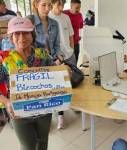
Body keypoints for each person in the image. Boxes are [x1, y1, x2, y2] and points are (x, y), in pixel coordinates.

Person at [0, 17, 55, 150]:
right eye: (16, 33)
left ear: (32, 34)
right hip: (19, 113)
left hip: (44, 110)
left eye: (25, 32)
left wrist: (65, 72)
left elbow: (55, 74)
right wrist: (7, 102)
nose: (21, 37)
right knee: (27, 146)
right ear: (11, 37)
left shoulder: (42, 55)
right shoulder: (4, 60)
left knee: (43, 142)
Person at [49, 0, 75, 129]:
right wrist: (55, 58)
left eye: (62, 5)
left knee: (73, 81)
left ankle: (75, 105)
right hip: (57, 58)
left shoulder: (66, 17)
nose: (60, 7)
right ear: (52, 4)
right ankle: (60, 116)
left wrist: (72, 49)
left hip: (70, 55)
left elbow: (71, 35)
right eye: (58, 4)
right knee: (60, 86)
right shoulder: (48, 18)